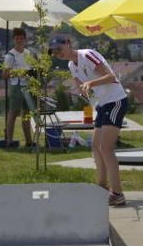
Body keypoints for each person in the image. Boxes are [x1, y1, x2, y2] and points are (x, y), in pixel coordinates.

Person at [49, 35, 128, 206]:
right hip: (103, 104)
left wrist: (90, 84)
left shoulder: (87, 55)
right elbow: (80, 86)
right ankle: (101, 187)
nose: (58, 54)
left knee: (105, 148)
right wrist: (78, 90)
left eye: (59, 49)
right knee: (95, 146)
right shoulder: (72, 65)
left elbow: (111, 77)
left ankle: (117, 193)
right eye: (55, 52)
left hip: (116, 101)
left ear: (69, 43)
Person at [3, 27, 34, 148]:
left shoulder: (28, 53)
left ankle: (29, 141)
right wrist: (19, 72)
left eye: (21, 38)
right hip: (16, 86)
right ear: (13, 40)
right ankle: (9, 140)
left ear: (25, 39)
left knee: (27, 114)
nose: (19, 40)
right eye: (17, 38)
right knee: (13, 113)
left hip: (28, 85)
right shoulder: (10, 55)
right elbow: (5, 74)